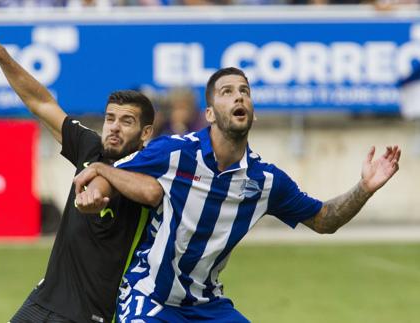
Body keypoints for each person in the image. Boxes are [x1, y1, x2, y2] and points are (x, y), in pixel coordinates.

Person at [73, 67, 401, 322]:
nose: (239, 97)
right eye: (227, 92)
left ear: (253, 113)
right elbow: (114, 170)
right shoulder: (174, 152)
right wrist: (98, 184)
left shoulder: (267, 181)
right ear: (211, 113)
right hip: (149, 297)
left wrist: (365, 188)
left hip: (207, 306)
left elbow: (324, 220)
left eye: (244, 91)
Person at [0, 4, 162, 323]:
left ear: (145, 132)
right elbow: (40, 102)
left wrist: (99, 184)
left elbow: (152, 194)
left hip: (87, 314)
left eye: (126, 121)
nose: (114, 126)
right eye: (110, 118)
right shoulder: (89, 146)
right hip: (42, 301)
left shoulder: (148, 167)